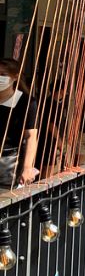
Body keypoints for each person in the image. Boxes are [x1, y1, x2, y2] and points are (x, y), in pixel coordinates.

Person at [0, 58, 38, 190]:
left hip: (8, 164)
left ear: (15, 77)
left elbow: (31, 136)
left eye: (3, 74)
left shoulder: (26, 102)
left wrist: (27, 167)